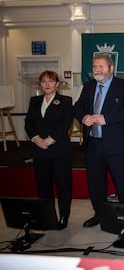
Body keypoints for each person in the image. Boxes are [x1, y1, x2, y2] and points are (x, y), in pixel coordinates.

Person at [73, 54, 124, 227]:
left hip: (116, 146)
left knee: (121, 182)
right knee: (95, 183)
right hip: (93, 144)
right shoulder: (88, 86)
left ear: (111, 68)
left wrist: (106, 119)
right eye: (94, 67)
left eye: (101, 66)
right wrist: (84, 117)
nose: (97, 70)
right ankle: (99, 215)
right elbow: (77, 107)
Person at [24, 71, 73, 230]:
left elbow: (66, 123)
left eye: (51, 81)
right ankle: (48, 217)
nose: (47, 84)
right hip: (40, 150)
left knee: (63, 186)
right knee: (43, 186)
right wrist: (36, 139)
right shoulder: (34, 101)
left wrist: (50, 139)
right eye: (44, 81)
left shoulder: (65, 101)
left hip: (59, 150)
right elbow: (28, 123)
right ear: (40, 84)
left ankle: (64, 216)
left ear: (57, 84)